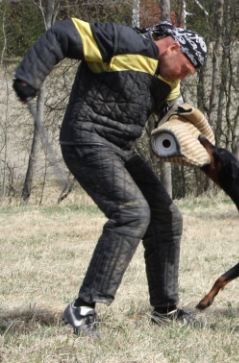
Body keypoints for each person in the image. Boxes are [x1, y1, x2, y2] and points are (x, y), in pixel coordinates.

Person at [13, 18, 208, 338]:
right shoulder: (122, 41)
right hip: (86, 139)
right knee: (132, 211)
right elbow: (64, 33)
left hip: (119, 148)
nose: (183, 76)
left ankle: (165, 310)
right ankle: (82, 308)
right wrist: (29, 76)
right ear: (172, 48)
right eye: (184, 69)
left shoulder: (168, 80)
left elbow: (174, 120)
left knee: (166, 216)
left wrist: (199, 146)